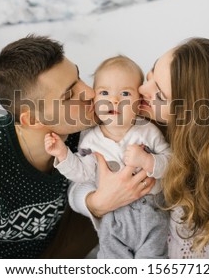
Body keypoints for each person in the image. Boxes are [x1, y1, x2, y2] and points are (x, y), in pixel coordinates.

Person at [0, 35, 152, 258]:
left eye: (79, 76)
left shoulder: (81, 126)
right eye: (69, 95)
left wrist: (95, 204)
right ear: (31, 120)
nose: (89, 93)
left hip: (59, 236)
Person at [70, 37, 209, 258]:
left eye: (159, 94)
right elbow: (79, 183)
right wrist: (96, 202)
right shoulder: (124, 121)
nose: (142, 88)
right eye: (151, 73)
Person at [44, 56, 171, 258]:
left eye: (125, 93)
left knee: (153, 258)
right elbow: (81, 174)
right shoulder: (91, 139)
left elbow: (171, 163)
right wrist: (63, 154)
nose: (114, 100)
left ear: (139, 102)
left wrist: (149, 161)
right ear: (94, 100)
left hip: (152, 213)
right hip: (112, 218)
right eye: (104, 92)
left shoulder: (147, 131)